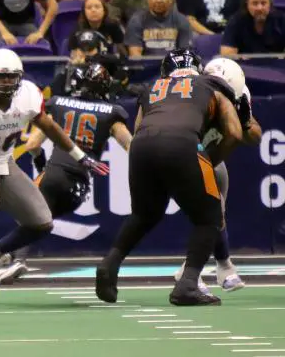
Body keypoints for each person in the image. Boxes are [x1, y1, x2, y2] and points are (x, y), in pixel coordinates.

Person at [95, 49, 243, 306]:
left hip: (141, 147)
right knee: (210, 216)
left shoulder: (153, 87)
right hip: (183, 143)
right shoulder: (212, 83)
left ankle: (109, 265)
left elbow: (139, 131)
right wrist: (210, 159)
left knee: (143, 214)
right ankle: (187, 284)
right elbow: (235, 133)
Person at [0, 48, 109, 283]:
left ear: (20, 77)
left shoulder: (28, 94)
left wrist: (79, 155)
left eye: (11, 76)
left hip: (4, 162)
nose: (6, 82)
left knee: (41, 222)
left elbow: (49, 126)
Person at [25, 64, 132, 281]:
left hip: (53, 174)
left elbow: (32, 144)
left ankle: (14, 257)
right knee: (42, 219)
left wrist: (40, 163)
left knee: (31, 217)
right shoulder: (111, 112)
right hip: (79, 186)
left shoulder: (58, 104)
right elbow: (133, 148)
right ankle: (12, 257)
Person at [174, 57, 262, 294]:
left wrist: (244, 121)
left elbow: (254, 137)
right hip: (186, 151)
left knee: (217, 209)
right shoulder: (194, 93)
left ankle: (220, 266)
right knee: (210, 209)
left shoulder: (240, 92)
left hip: (212, 153)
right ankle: (200, 269)